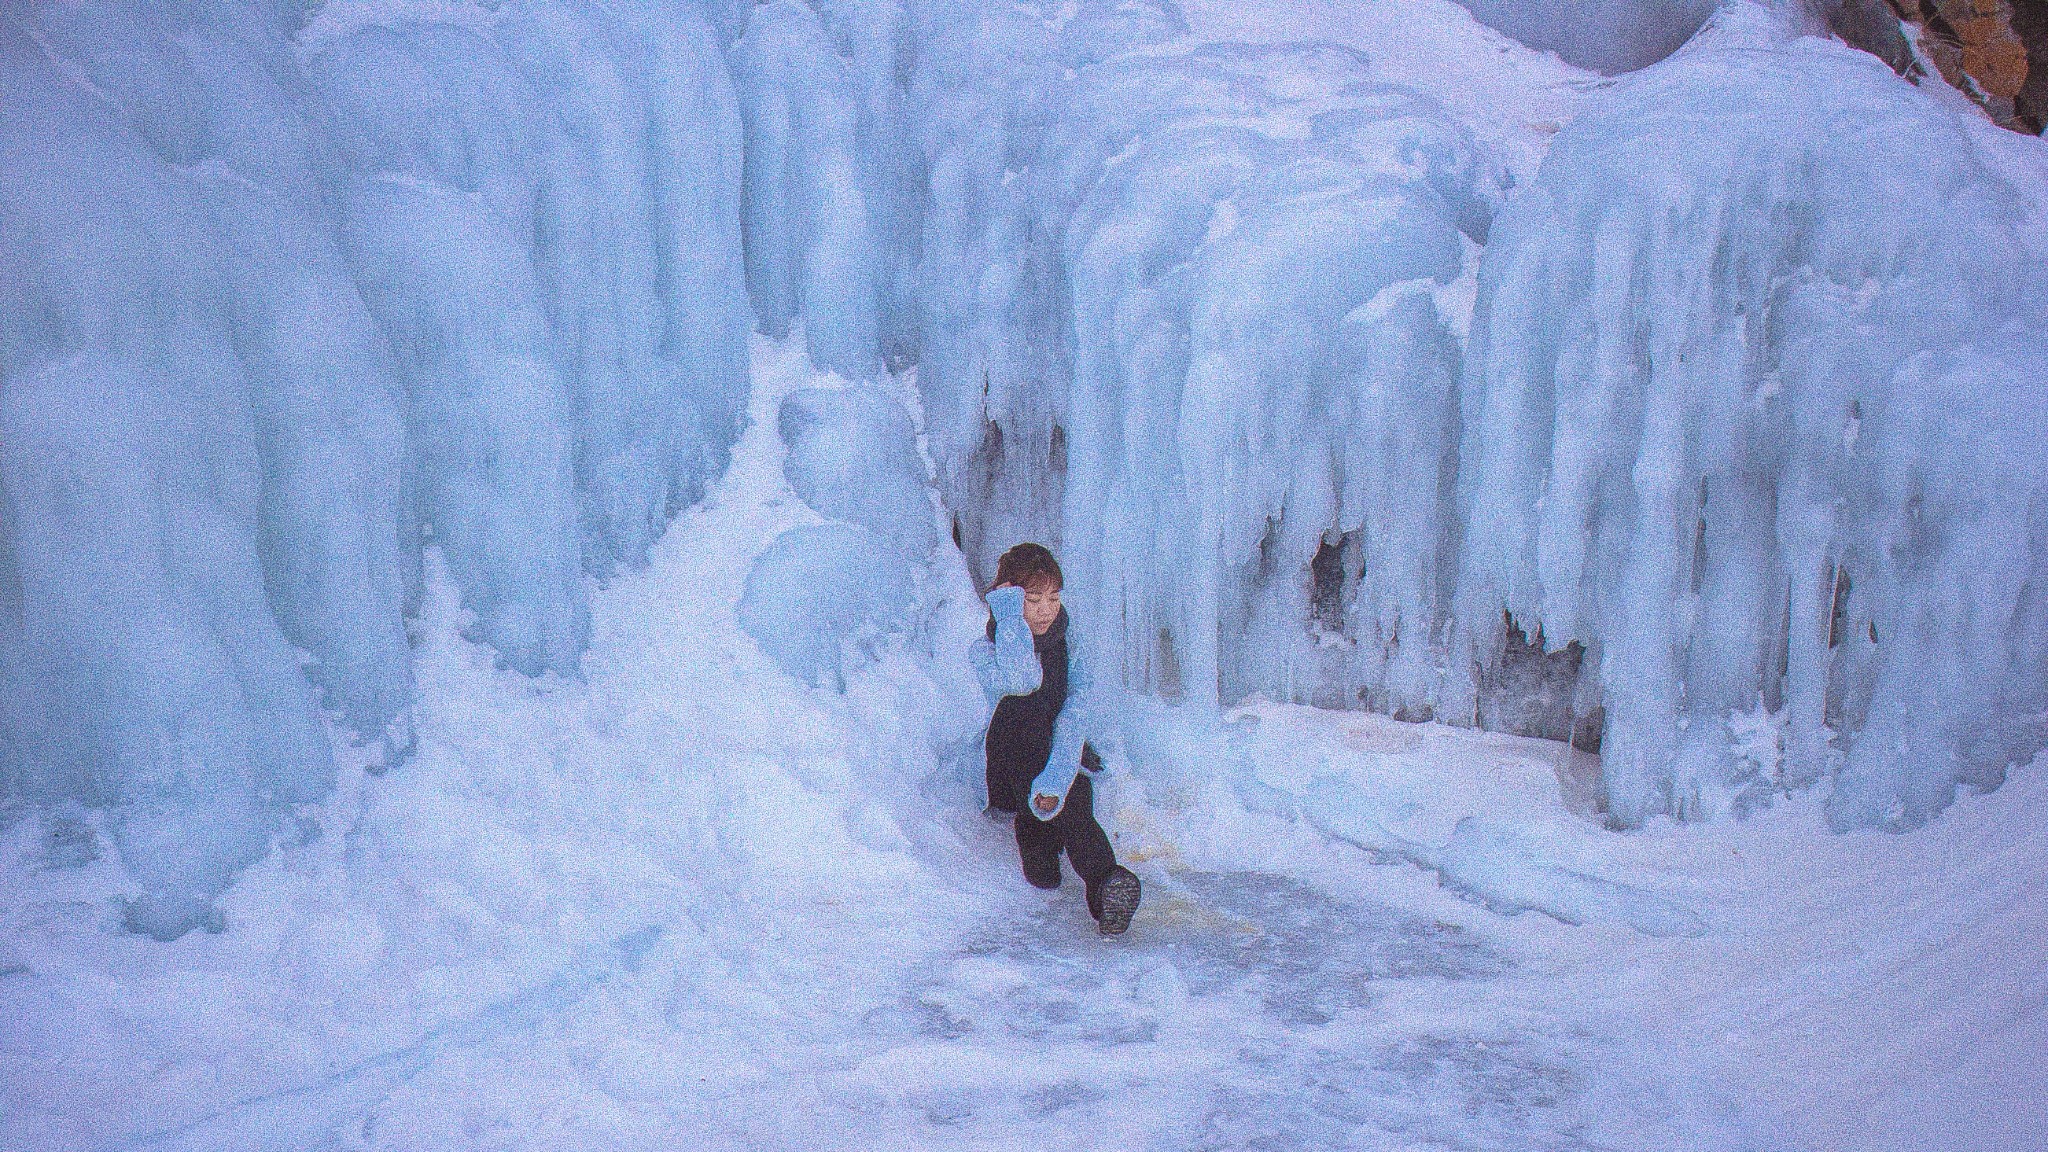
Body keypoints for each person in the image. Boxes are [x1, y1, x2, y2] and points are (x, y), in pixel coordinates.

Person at [969, 542, 1141, 935]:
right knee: (1022, 709)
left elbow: (1074, 712)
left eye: (1054, 597)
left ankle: (1107, 885)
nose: (1046, 609)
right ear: (1009, 599)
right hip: (1008, 770)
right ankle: (1038, 825)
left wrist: (1055, 781)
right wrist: (1009, 614)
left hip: (1050, 765)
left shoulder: (1070, 646)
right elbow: (1021, 681)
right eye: (1032, 599)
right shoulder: (985, 651)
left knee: (1073, 794)